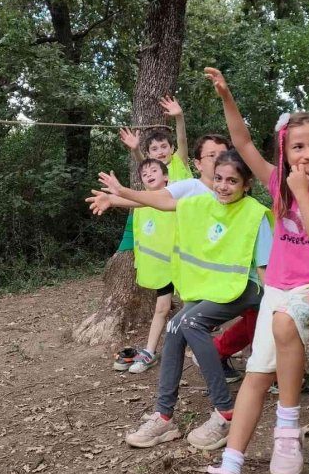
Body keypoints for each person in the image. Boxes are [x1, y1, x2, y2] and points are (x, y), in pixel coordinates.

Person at [198, 68, 309, 474]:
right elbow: (241, 142)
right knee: (254, 376)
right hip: (279, 291)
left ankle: (287, 431)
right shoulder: (273, 181)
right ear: (284, 152)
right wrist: (228, 96)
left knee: (286, 319)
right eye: (298, 146)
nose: (308, 152)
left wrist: (302, 192)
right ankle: (229, 468)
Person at [93, 150, 273, 451]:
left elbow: (264, 269)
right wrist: (118, 196)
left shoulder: (254, 214)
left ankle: (226, 412)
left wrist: (273, 307)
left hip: (248, 287)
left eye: (232, 181)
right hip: (214, 287)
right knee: (175, 327)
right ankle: (164, 417)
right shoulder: (202, 203)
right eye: (218, 179)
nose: (223, 186)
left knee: (188, 322)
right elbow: (163, 201)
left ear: (247, 184)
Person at [90, 134, 251, 382]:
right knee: (192, 320)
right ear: (198, 164)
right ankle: (206, 371)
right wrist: (114, 197)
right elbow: (156, 198)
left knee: (254, 312)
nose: (219, 159)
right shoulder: (191, 187)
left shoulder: (235, 190)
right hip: (200, 271)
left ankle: (248, 362)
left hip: (232, 268)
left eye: (223, 153)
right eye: (211, 156)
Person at [120, 158, 176, 373]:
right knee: (161, 309)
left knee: (197, 311)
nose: (150, 174)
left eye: (155, 170)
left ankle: (212, 349)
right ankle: (150, 352)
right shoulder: (140, 204)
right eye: (145, 174)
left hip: (185, 266)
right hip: (163, 269)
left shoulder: (177, 197)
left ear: (167, 177)